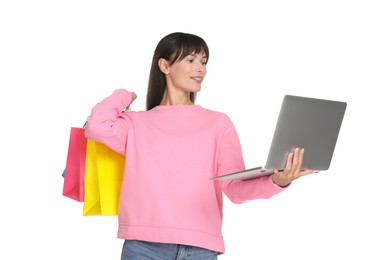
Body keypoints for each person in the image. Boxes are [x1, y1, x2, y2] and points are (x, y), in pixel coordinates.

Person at [84, 32, 314, 260]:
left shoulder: (218, 123)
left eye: (203, 62)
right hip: (145, 247)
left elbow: (234, 188)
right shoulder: (136, 124)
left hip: (201, 249)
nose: (201, 68)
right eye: (191, 60)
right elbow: (96, 126)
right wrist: (126, 95)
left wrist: (278, 181)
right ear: (164, 65)